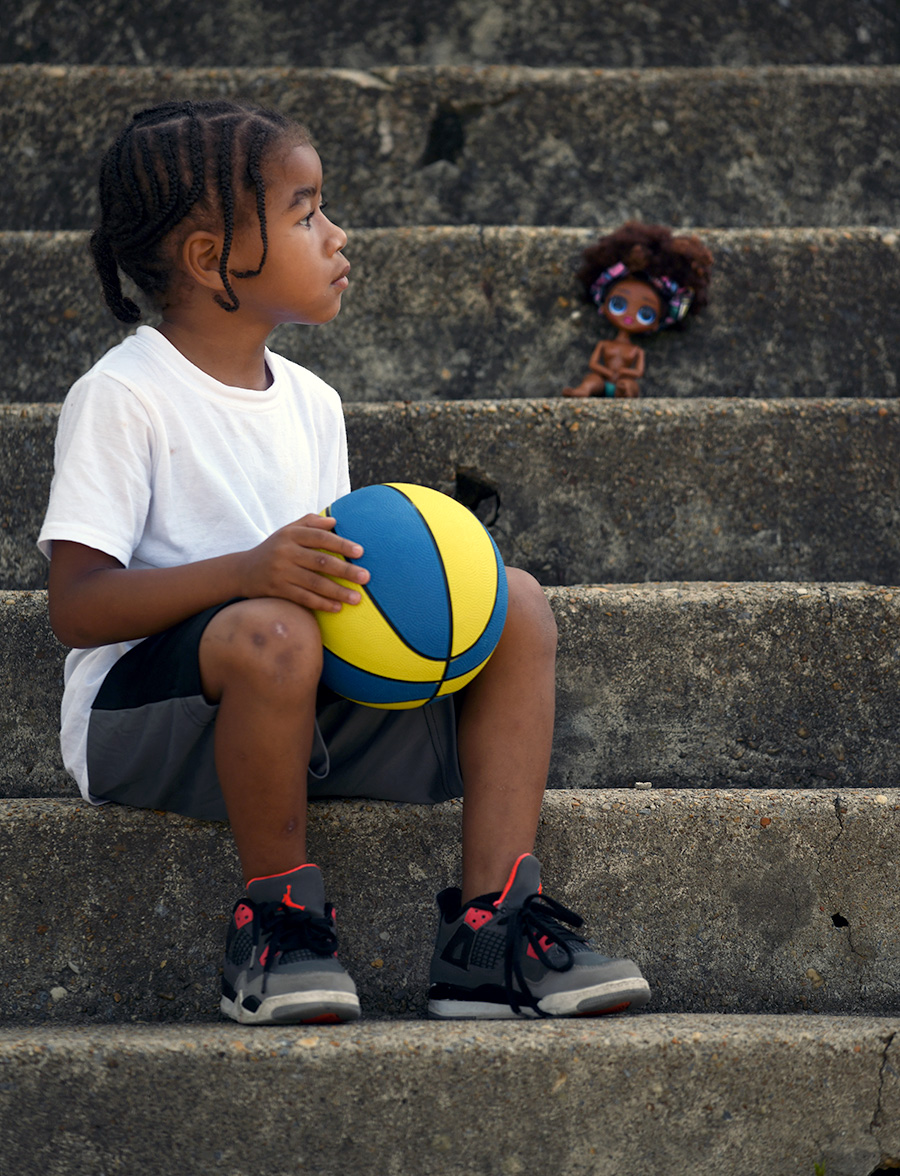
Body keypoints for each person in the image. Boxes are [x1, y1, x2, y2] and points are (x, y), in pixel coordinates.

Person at [38, 100, 650, 1025]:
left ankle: (491, 930)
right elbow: (77, 608)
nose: (336, 233)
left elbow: (331, 595)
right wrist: (248, 571)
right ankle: (278, 918)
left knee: (514, 602)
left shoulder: (314, 402)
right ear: (211, 260)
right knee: (274, 628)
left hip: (294, 693)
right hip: (146, 722)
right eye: (306, 212)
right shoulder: (124, 395)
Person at [562, 221, 713, 398]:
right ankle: (583, 391)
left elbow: (638, 372)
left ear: (657, 324)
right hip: (605, 379)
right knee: (592, 379)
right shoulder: (605, 345)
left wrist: (624, 376)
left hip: (622, 381)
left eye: (645, 315)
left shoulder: (636, 351)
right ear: (603, 304)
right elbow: (594, 364)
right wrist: (607, 373)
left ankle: (623, 394)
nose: (629, 317)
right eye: (618, 304)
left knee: (629, 386)